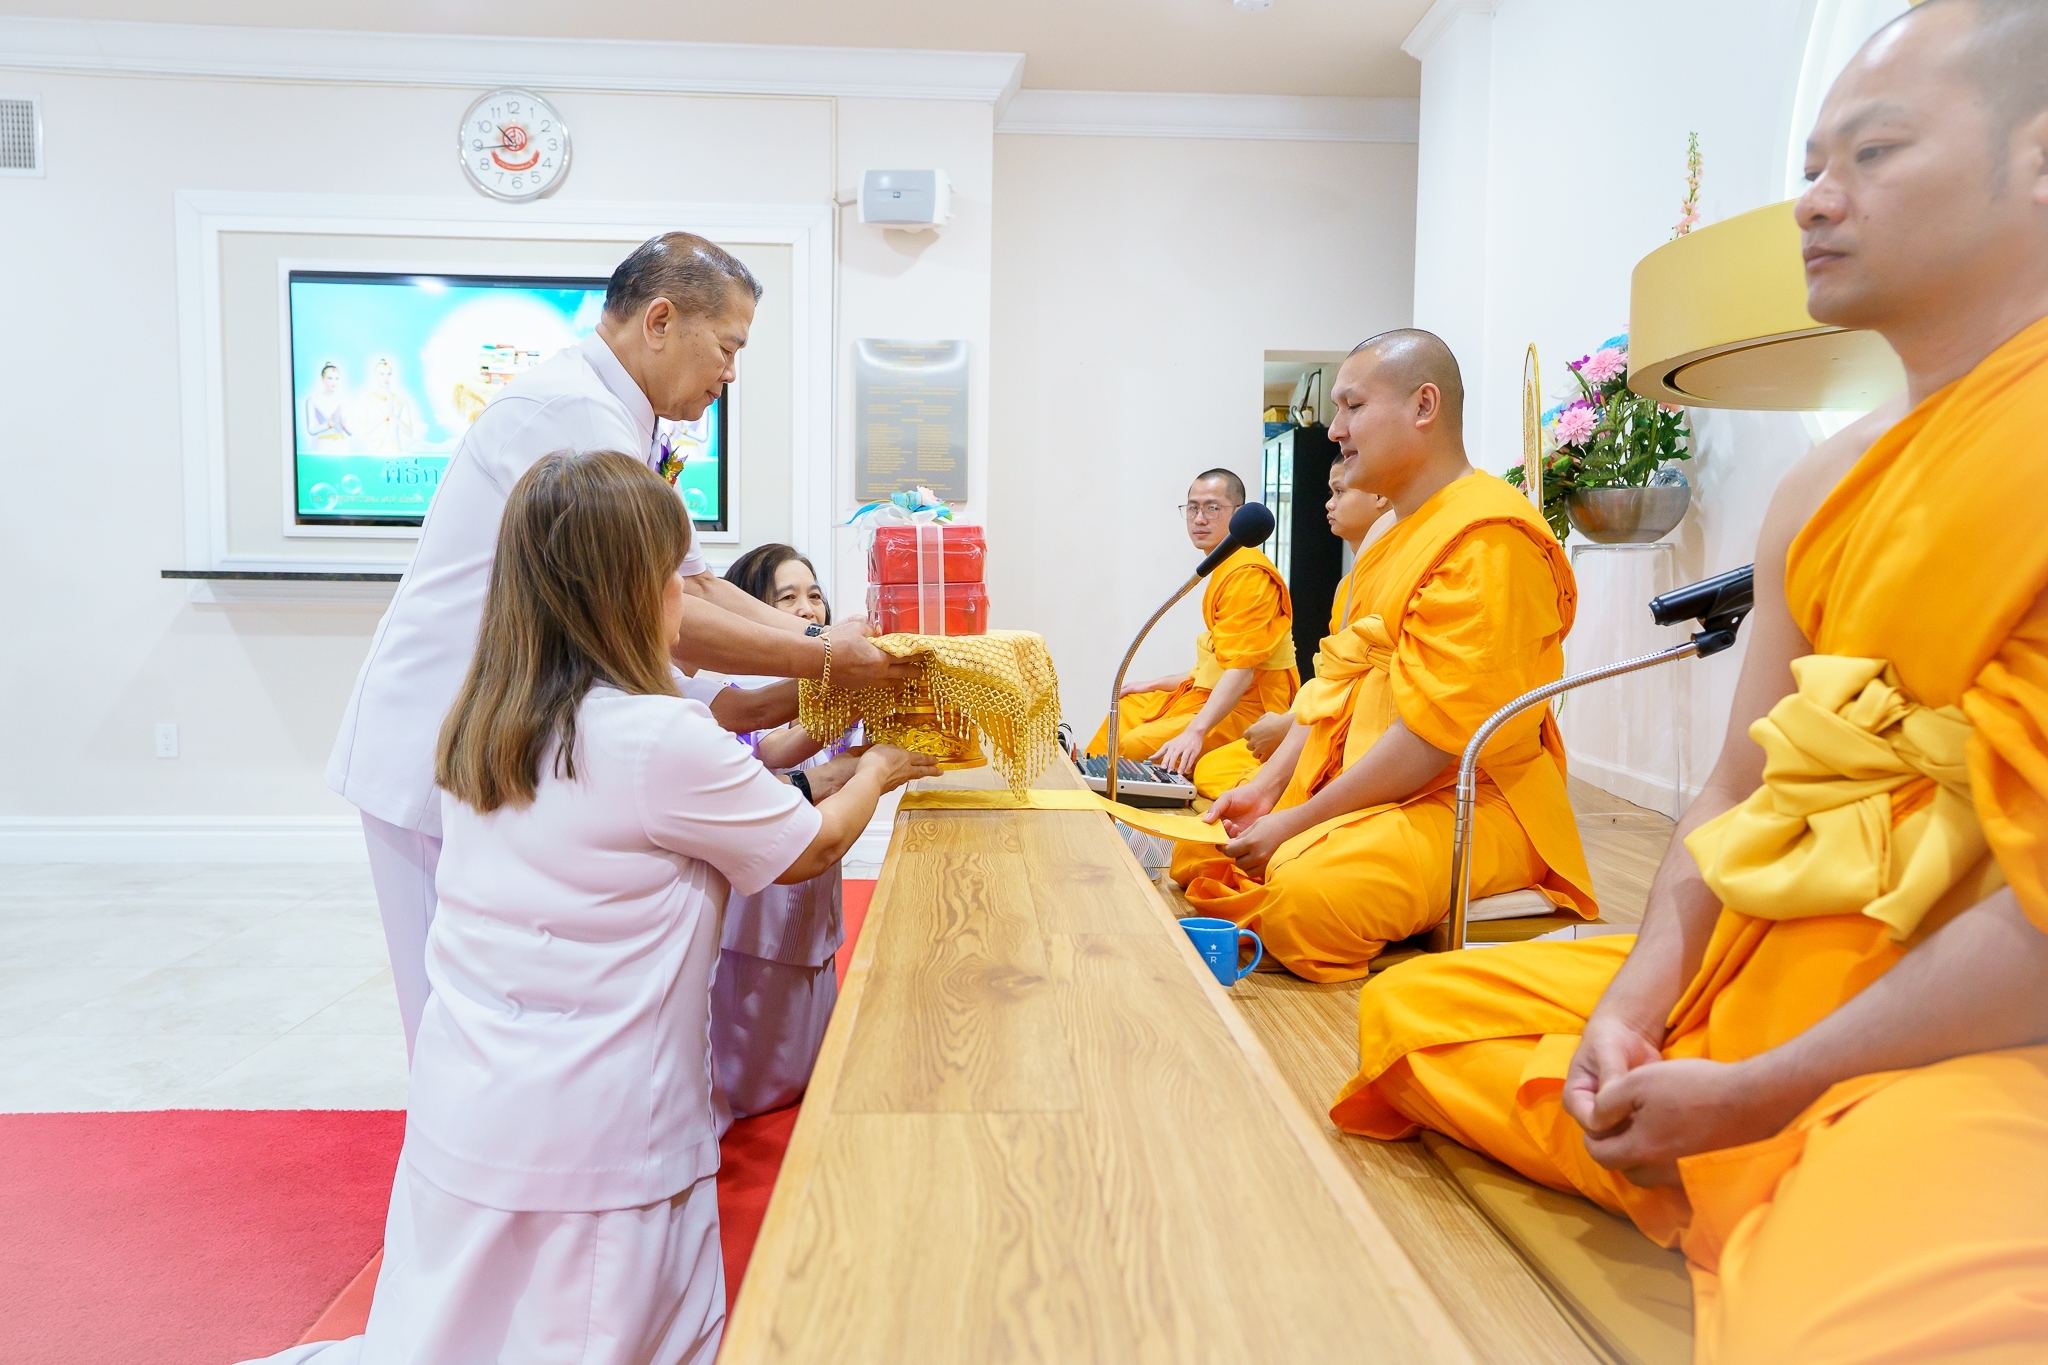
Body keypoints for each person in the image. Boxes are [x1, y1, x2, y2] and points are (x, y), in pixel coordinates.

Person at [1331, 4, 2048, 1358]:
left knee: (1873, 1324)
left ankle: (1770, 1152)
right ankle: (1721, 1145)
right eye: (1812, 163)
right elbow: (1741, 782)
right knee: (1420, 1007)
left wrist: (1768, 1085)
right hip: (1764, 967)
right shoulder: (1820, 483)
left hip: (1962, 1035)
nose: (1813, 203)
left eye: (1872, 154)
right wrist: (1633, 1003)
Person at [255, 452, 936, 1365]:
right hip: (600, 1134)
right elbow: (805, 846)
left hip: (471, 1105)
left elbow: (737, 764)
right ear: (627, 592)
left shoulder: (487, 712)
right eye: (672, 580)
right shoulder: (653, 735)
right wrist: (886, 767)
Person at [328, 231, 912, 1056]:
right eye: (728, 347)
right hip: (447, 742)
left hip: (525, 728)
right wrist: (829, 657)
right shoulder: (573, 415)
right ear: (662, 320)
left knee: (522, 1013)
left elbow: (700, 587)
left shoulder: (624, 417)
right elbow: (664, 605)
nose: (731, 374)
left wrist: (828, 637)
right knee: (458, 1017)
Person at [1169, 331, 1596, 980]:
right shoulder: (1394, 536)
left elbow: (1437, 739)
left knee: (1306, 899)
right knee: (1200, 852)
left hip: (1469, 797)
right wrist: (1266, 790)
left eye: (1352, 406)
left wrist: (1299, 820)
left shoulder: (1487, 541)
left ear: (1424, 406)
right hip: (1371, 778)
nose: (1335, 429)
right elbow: (1335, 687)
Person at [709, 543, 859, 1124]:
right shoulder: (739, 691)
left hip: (817, 874)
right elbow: (775, 753)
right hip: (763, 888)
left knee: (809, 1019)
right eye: (787, 597)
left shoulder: (825, 683)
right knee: (755, 1020)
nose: (806, 609)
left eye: (814, 595)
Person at [1192, 468, 1391, 799]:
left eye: (1339, 492)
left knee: (1149, 745)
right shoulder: (1348, 582)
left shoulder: (1249, 573)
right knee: (1209, 768)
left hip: (1341, 729)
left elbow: (1354, 684)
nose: (1329, 504)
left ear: (1380, 497)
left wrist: (1288, 725)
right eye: (1193, 507)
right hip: (1308, 713)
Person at [1085, 468, 1299, 776]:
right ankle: (1091, 795)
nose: (1199, 519)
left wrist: (1196, 732)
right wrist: (1155, 684)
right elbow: (1216, 666)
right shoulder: (1225, 567)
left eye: (1212, 508)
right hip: (1216, 695)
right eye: (1193, 508)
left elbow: (1241, 668)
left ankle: (1127, 815)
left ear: (1238, 514)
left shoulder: (1248, 575)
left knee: (1135, 744)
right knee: (1128, 710)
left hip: (1251, 707)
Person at [354, 358, 419, 454]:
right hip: (373, 452)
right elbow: (362, 432)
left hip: (395, 451)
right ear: (376, 375)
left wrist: (393, 417)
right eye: (382, 374)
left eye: (389, 374)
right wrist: (383, 416)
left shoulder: (401, 401)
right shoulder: (367, 400)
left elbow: (409, 433)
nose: (386, 378)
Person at [303, 362, 352, 450]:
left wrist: (343, 425)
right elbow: (311, 430)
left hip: (341, 445)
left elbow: (351, 431)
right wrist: (330, 424)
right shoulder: (313, 399)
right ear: (322, 379)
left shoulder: (343, 400)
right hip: (322, 444)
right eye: (330, 378)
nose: (334, 382)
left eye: (336, 378)